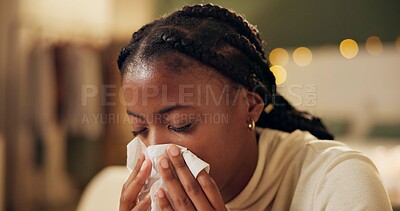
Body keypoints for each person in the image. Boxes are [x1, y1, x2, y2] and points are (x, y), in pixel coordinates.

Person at [117, 3, 392, 211]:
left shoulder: (338, 182)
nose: (155, 151)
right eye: (139, 129)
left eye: (180, 124)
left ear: (250, 106)